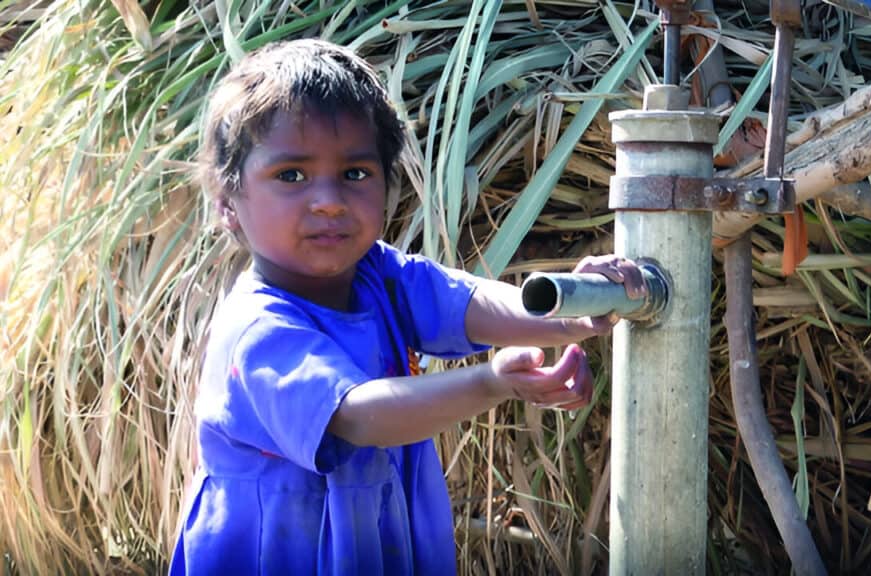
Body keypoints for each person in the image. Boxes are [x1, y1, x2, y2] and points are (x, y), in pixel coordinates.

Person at [169, 38, 646, 575]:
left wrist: (573, 311)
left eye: (355, 173)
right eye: (292, 176)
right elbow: (359, 415)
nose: (328, 199)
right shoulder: (258, 331)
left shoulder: (379, 274)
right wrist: (492, 382)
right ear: (229, 205)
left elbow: (468, 304)